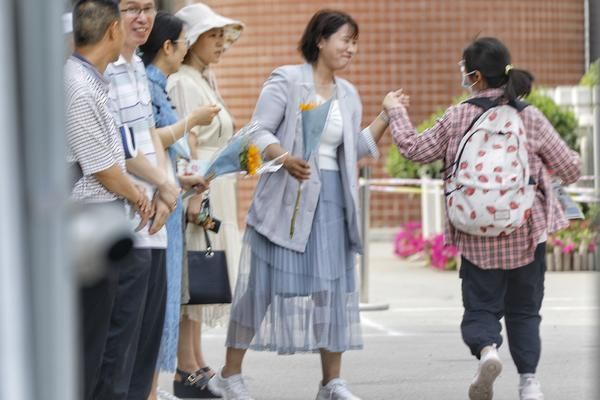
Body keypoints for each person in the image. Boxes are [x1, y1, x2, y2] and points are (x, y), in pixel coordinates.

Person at [208, 9, 396, 400]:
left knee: (333, 294)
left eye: (354, 41)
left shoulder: (349, 95)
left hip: (331, 204)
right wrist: (284, 155)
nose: (351, 48)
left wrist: (384, 117)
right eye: (345, 39)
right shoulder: (287, 81)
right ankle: (229, 373)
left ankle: (332, 383)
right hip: (286, 201)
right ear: (320, 41)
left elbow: (352, 151)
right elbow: (256, 131)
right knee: (258, 290)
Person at [383, 37, 581, 400]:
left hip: (475, 236)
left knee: (480, 308)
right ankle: (529, 384)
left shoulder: (458, 116)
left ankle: (488, 351)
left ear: (474, 77)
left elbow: (413, 148)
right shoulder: (529, 116)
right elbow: (570, 169)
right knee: (524, 311)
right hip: (525, 232)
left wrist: (395, 110)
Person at [94, 1, 182, 399]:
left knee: (147, 339)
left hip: (154, 219)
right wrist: (164, 184)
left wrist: (166, 190)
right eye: (131, 8)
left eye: (148, 8)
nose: (142, 18)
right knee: (119, 345)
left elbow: (149, 135)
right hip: (123, 216)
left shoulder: (136, 69)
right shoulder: (104, 70)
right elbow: (118, 147)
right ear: (112, 17)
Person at [64, 1, 151, 398]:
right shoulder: (77, 83)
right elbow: (101, 165)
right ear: (113, 29)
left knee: (108, 339)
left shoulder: (91, 79)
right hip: (90, 218)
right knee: (92, 341)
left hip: (104, 212)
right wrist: (139, 195)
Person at [139, 10, 220, 400]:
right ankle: (152, 387)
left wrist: (184, 179)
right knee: (161, 298)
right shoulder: (150, 85)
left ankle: (154, 386)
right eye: (184, 42)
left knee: (167, 297)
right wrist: (191, 122)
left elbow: (162, 153)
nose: (186, 49)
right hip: (158, 204)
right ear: (168, 46)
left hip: (170, 195)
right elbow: (151, 139)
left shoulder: (159, 83)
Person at [167, 3, 244, 397]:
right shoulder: (182, 81)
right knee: (191, 275)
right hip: (200, 190)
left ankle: (195, 360)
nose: (220, 43)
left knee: (201, 274)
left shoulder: (203, 77)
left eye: (221, 36)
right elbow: (188, 142)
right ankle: (186, 367)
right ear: (192, 40)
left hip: (217, 186)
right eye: (212, 35)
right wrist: (195, 197)